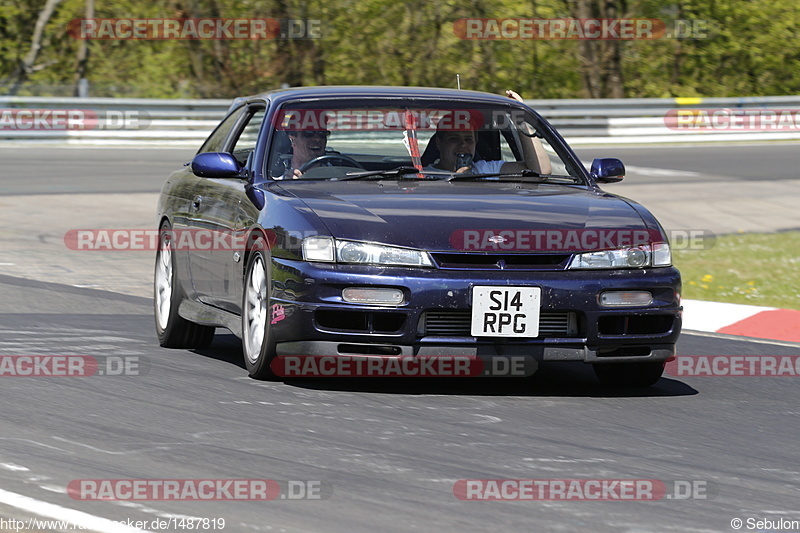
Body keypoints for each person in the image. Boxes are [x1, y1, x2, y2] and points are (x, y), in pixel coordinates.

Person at [426, 90, 551, 175]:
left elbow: (542, 171)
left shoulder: (485, 170)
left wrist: (521, 120)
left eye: (469, 139)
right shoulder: (422, 176)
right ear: (438, 143)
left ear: (476, 142)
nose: (462, 145)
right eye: (454, 138)